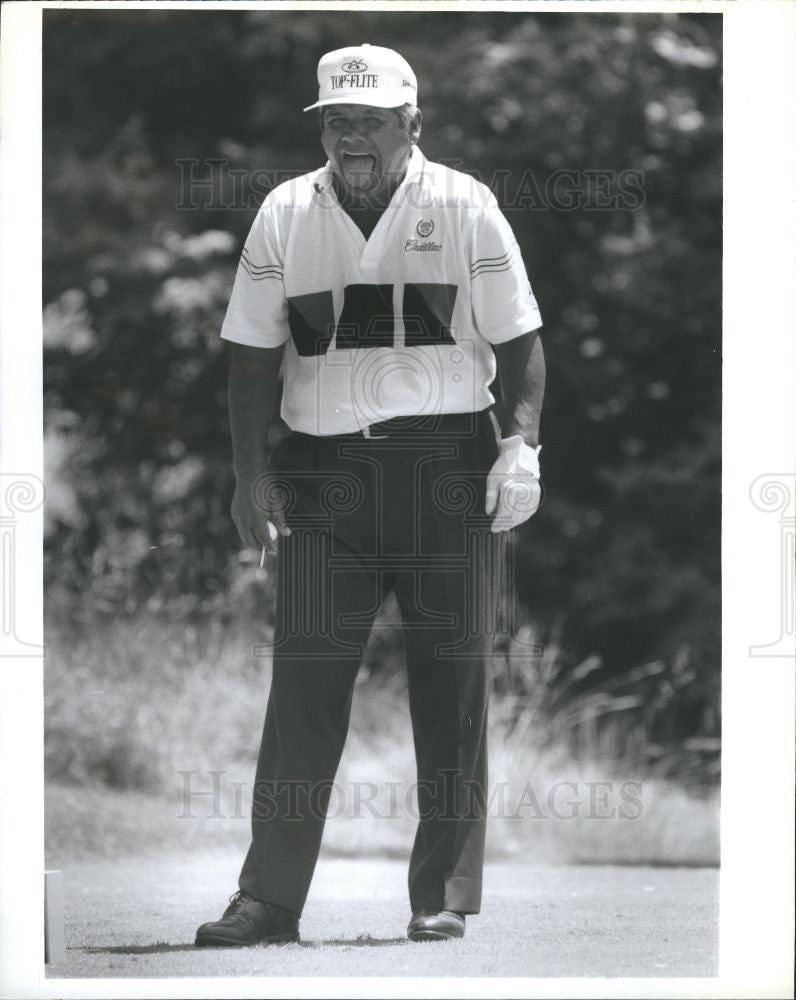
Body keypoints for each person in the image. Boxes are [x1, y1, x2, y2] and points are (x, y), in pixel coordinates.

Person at [195, 43, 546, 948]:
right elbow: (248, 358)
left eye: (372, 122)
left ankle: (442, 898)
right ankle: (268, 901)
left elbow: (519, 340)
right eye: (338, 122)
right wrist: (246, 475)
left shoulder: (467, 205)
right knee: (305, 684)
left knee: (452, 681)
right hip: (322, 476)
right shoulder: (283, 213)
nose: (353, 138)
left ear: (410, 124)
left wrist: (522, 444)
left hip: (448, 471)